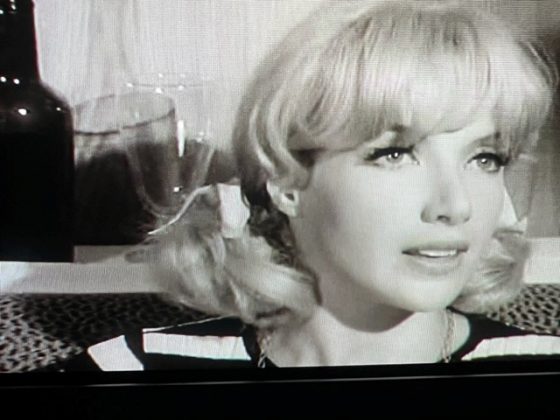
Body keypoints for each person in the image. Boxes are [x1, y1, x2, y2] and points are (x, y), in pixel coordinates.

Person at [56, 0, 560, 371]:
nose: (456, 205)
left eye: (486, 158)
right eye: (394, 153)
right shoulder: (131, 369)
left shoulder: (537, 369)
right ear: (286, 180)